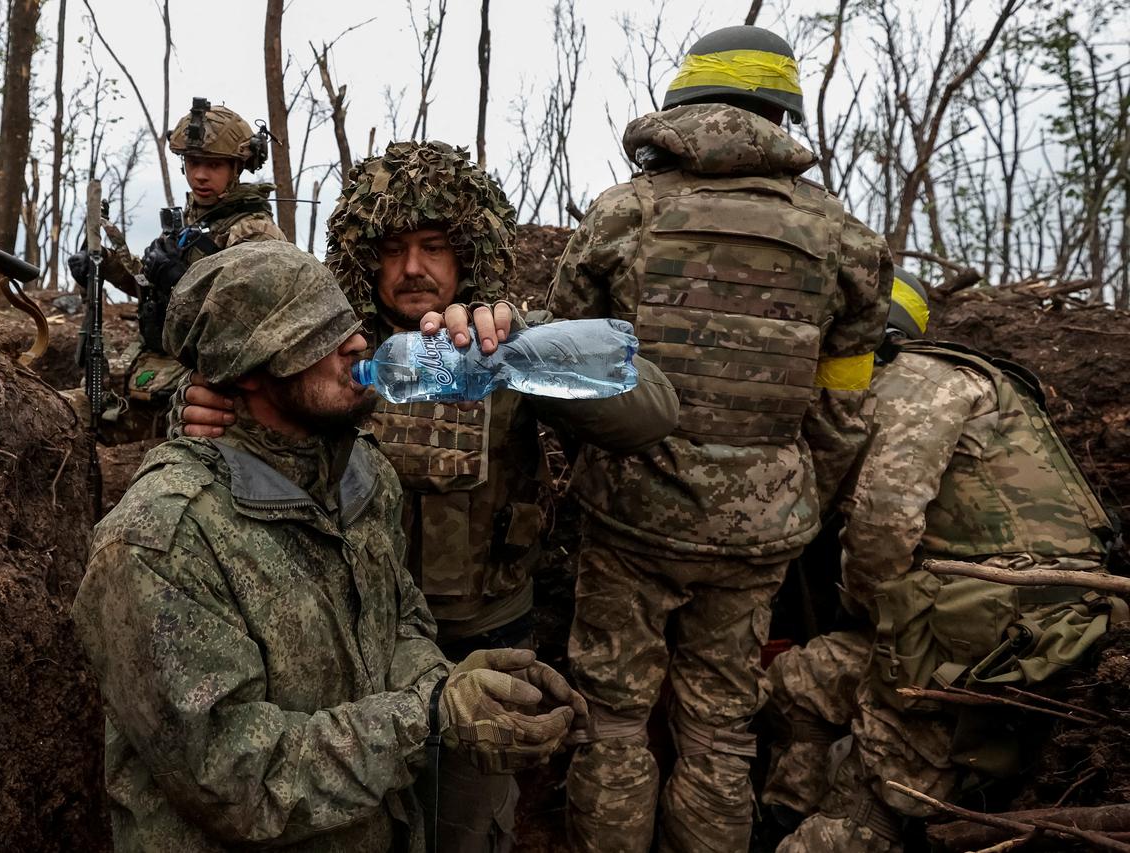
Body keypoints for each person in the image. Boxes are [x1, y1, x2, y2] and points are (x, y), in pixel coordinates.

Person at [176, 140, 680, 852]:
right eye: (392, 249)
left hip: (485, 639)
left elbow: (654, 409)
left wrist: (521, 349)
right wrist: (196, 410)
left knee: (465, 829)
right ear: (361, 255)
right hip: (353, 648)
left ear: (470, 248)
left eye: (435, 245)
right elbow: (227, 437)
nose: (413, 268)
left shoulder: (506, 341)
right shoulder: (321, 355)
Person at [70, 240, 587, 853]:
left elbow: (397, 626)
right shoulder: (163, 542)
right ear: (250, 369)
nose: (356, 345)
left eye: (346, 323)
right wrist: (427, 718)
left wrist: (452, 687)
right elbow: (236, 781)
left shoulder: (361, 474)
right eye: (315, 336)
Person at [544, 25, 893, 852]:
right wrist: (801, 495)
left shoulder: (625, 211)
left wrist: (592, 464)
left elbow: (568, 362)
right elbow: (842, 412)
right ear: (780, 110)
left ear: (685, 99)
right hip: (758, 533)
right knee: (720, 726)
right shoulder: (845, 238)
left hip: (631, 514)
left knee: (617, 721)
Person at [763, 268, 1123, 851]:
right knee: (799, 680)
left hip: (994, 623)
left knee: (870, 797)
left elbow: (884, 518)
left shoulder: (918, 383)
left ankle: (845, 822)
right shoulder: (947, 378)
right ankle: (783, 809)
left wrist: (864, 604)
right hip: (984, 607)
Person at [66, 97, 285, 442]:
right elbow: (151, 288)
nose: (200, 174)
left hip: (207, 384)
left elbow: (257, 322)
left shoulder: (254, 231)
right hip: (153, 364)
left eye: (213, 165)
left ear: (237, 166)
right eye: (194, 162)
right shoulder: (190, 223)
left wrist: (181, 281)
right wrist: (104, 267)